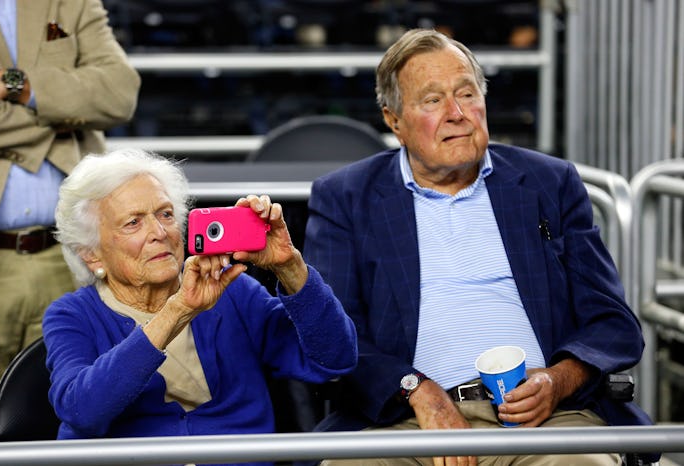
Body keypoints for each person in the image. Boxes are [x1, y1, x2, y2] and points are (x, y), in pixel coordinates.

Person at [303, 28, 655, 466]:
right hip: (404, 421)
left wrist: (557, 381)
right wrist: (418, 392)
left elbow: (612, 323)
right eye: (433, 100)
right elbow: (336, 336)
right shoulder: (346, 198)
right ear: (394, 121)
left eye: (466, 94)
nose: (456, 113)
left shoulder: (549, 183)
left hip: (549, 419)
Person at [42, 148, 357, 466]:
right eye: (133, 223)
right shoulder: (71, 316)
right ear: (92, 254)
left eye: (166, 214)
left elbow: (334, 359)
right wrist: (177, 311)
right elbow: (82, 411)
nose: (159, 233)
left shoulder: (232, 290)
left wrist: (290, 267)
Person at [0, 0, 140, 437]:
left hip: (76, 255)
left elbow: (119, 93)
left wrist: (13, 84)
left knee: (81, 418)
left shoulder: (71, 2)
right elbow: (95, 101)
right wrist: (61, 120)